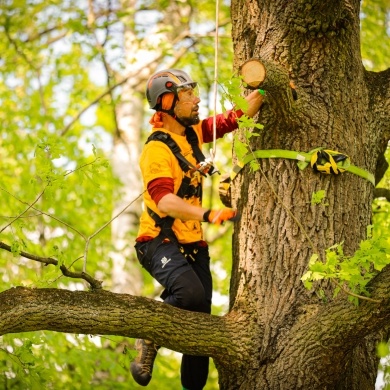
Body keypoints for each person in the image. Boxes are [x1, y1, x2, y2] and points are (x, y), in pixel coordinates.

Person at [131, 69, 264, 390]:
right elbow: (164, 202)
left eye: (194, 93)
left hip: (192, 243)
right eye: (188, 94)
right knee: (190, 293)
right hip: (157, 241)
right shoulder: (156, 150)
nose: (197, 99)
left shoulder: (193, 134)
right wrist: (209, 213)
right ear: (167, 101)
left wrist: (268, 89)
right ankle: (149, 335)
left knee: (201, 320)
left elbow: (233, 119)